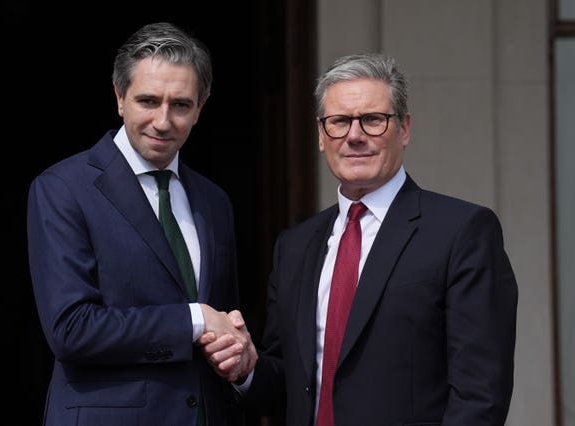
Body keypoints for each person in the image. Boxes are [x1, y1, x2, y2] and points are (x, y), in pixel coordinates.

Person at [203, 53, 518, 425]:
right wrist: (246, 369)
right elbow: (288, 384)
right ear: (321, 136)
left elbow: (480, 394)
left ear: (404, 129)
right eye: (338, 122)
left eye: (373, 120)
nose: (354, 136)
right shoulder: (294, 247)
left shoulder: (462, 231)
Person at [27, 22, 256, 426]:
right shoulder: (63, 188)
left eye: (181, 104)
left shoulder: (214, 201)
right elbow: (71, 329)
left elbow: (224, 321)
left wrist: (238, 354)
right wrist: (195, 318)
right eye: (148, 101)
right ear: (119, 98)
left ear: (201, 106)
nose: (163, 121)